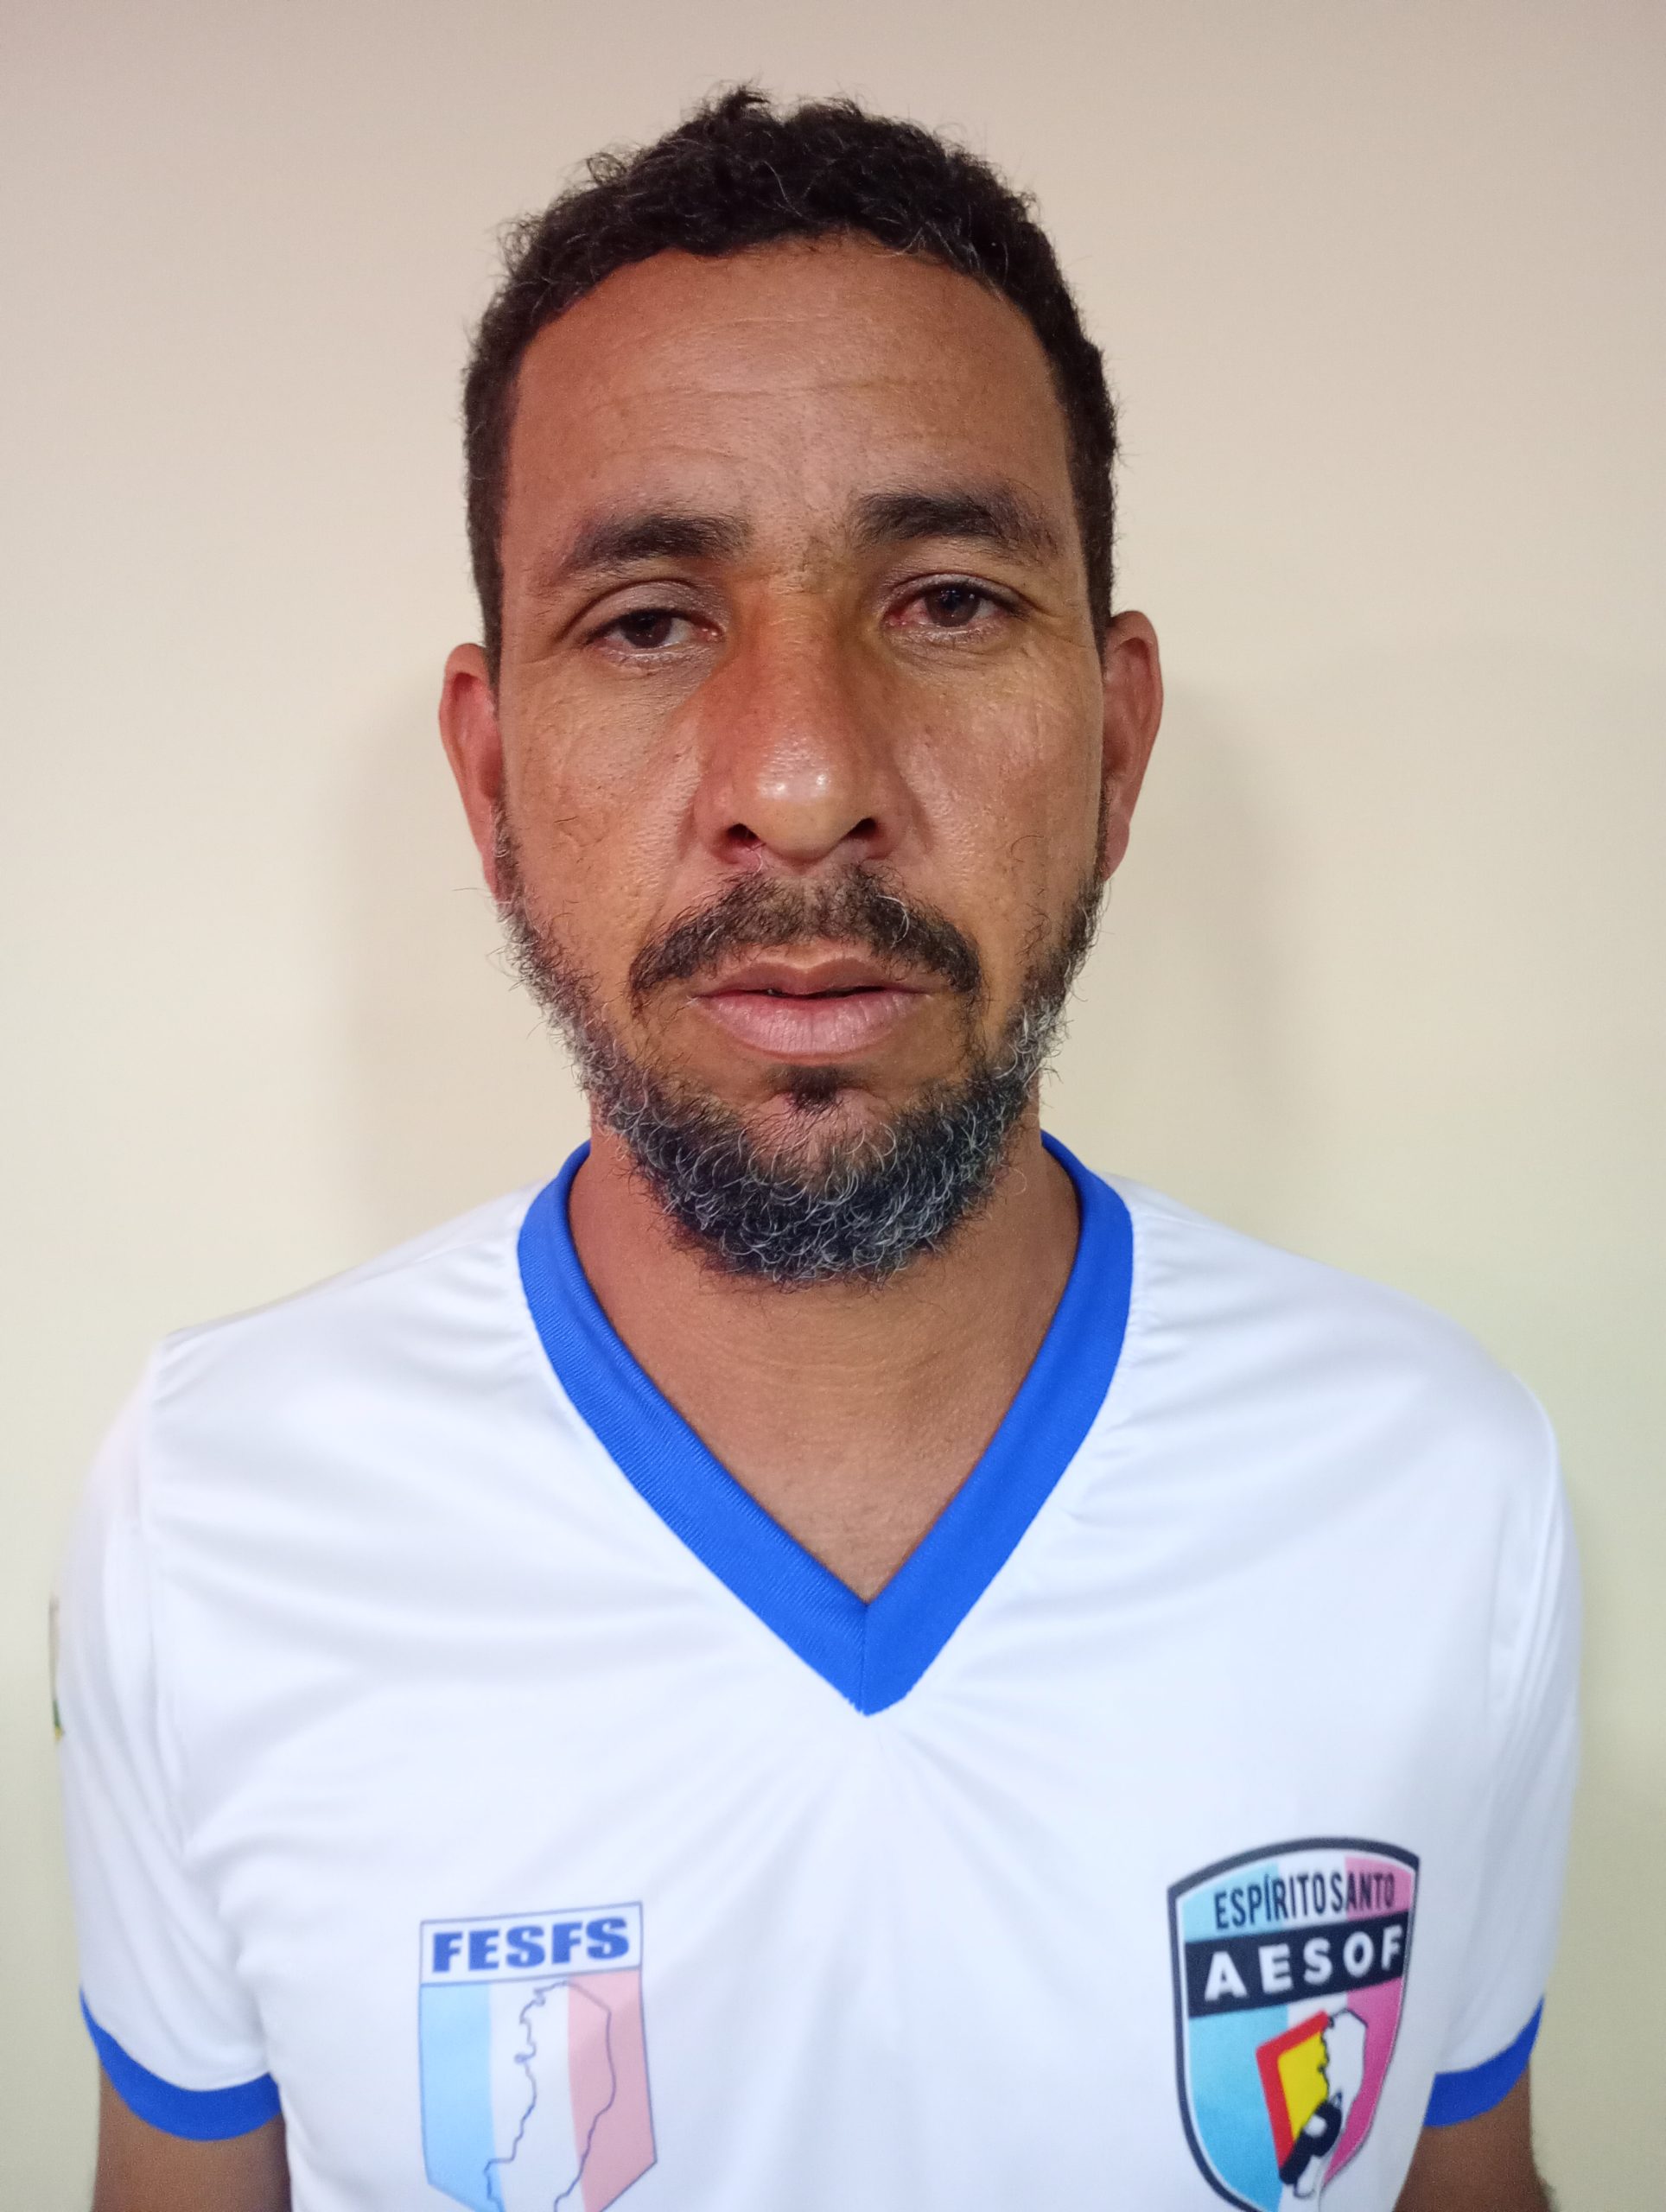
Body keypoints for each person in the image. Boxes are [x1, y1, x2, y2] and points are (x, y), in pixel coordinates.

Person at [56, 87, 1578, 2212]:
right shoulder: (215, 1503)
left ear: (1116, 743)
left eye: (944, 599)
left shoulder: (1434, 1481)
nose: (797, 779)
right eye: (648, 619)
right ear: (490, 783)